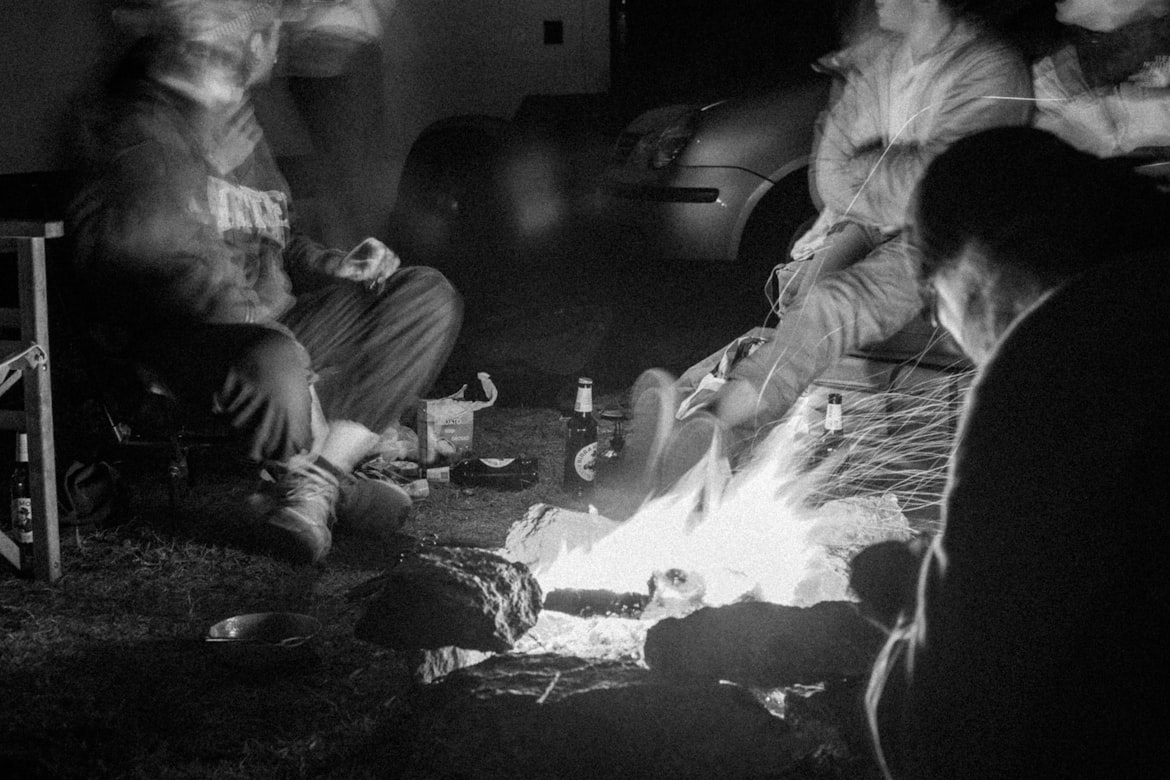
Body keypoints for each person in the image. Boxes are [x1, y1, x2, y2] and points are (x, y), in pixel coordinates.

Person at [68, 0, 462, 564]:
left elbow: (274, 230)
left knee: (426, 294)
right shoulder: (137, 125)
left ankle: (320, 481)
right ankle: (314, 485)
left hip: (277, 327)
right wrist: (196, 168)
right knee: (276, 354)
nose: (275, 48)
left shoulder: (240, 126)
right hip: (194, 340)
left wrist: (333, 265)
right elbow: (152, 263)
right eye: (266, 34)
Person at [619, 0, 1034, 501]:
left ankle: (712, 421)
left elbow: (937, 184)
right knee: (798, 286)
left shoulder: (991, 66)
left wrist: (868, 176)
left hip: (951, 237)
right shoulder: (885, 63)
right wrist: (858, 193)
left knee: (832, 305)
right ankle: (704, 433)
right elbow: (829, 175)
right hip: (878, 222)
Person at [859, 126, 1170, 778]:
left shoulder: (1057, 363)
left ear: (972, 270)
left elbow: (938, 739)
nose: (969, 355)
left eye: (944, 318)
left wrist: (915, 607)